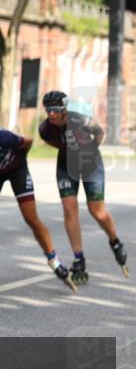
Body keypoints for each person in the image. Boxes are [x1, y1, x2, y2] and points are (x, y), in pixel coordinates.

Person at [0, 108, 76, 292]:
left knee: (31, 218)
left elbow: (27, 142)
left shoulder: (2, 137)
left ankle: (53, 259)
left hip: (17, 171)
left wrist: (21, 159)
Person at [38, 90, 128, 282]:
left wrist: (89, 150)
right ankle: (79, 259)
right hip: (66, 165)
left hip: (90, 163)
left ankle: (115, 241)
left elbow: (100, 132)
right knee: (69, 210)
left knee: (97, 211)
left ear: (64, 109)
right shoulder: (45, 129)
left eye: (55, 109)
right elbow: (52, 142)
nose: (51, 114)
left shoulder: (80, 121)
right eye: (48, 110)